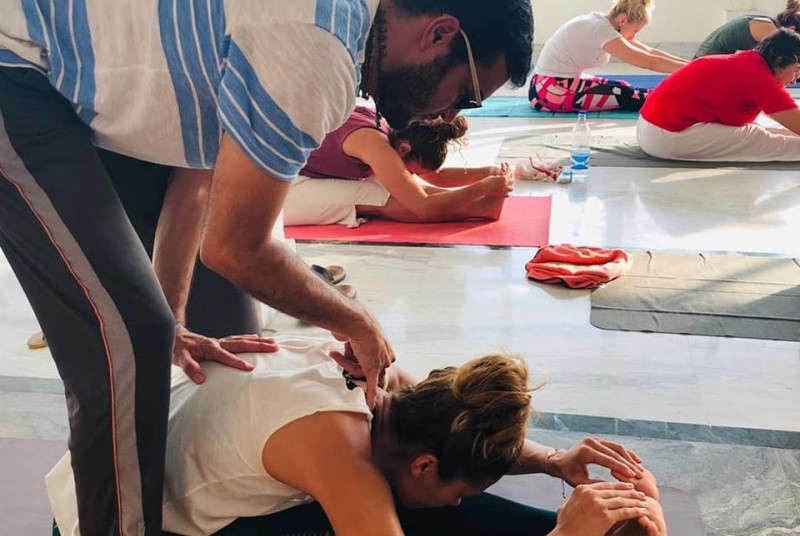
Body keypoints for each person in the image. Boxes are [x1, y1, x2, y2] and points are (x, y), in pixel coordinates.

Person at [0, 0, 535, 534]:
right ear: (440, 34)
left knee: (223, 336)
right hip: (17, 73)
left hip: (76, 91)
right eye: (465, 95)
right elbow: (234, 249)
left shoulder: (330, 43)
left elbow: (197, 174)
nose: (447, 117)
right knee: (130, 343)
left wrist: (176, 321)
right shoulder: (317, 47)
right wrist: (355, 319)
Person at [47, 336, 668, 536]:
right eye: (457, 489)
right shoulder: (340, 454)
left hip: (116, 480)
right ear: (425, 465)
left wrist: (556, 461)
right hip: (105, 521)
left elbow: (457, 435)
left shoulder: (387, 385)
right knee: (430, 520)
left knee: (441, 515)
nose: (459, 500)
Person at [285, 107, 514, 227]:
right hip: (281, 190)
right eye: (412, 170)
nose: (411, 174)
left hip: (298, 172)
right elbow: (423, 207)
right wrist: (482, 188)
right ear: (404, 149)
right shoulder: (375, 144)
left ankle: (479, 206)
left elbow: (435, 176)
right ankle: (479, 209)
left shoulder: (392, 130)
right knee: (378, 195)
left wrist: (488, 173)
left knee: (400, 187)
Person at [638, 29, 800, 162]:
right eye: (796, 71)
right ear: (779, 61)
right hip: (666, 136)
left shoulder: (747, 62)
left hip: (650, 127)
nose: (794, 80)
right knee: (766, 141)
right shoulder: (759, 77)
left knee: (763, 129)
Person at [529, 0, 688, 113]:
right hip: (549, 92)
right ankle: (680, 101)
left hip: (546, 85)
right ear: (623, 20)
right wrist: (692, 69)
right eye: (635, 31)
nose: (634, 36)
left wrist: (692, 64)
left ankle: (673, 96)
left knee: (623, 86)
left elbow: (650, 52)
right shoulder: (602, 30)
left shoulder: (602, 23)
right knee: (625, 94)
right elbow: (647, 61)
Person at [695, 1, 800, 58]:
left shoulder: (765, 22)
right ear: (791, 29)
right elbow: (781, 62)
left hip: (705, 63)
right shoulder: (768, 30)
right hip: (705, 66)